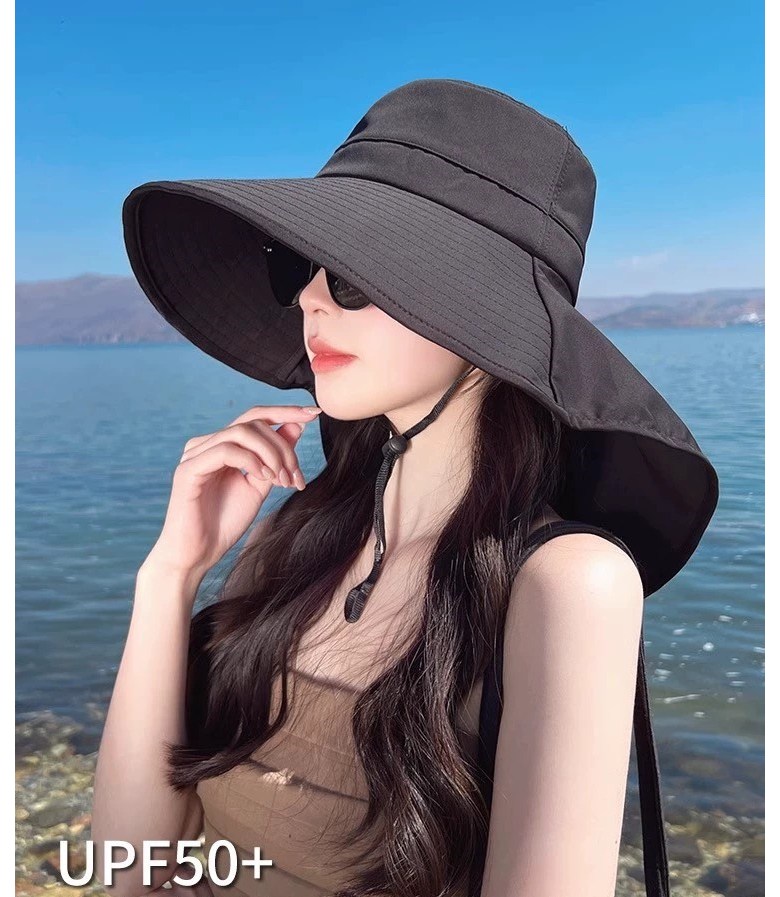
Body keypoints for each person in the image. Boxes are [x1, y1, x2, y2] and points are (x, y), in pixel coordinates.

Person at [92, 79, 719, 897]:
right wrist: (170, 574)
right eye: (303, 266)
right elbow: (134, 870)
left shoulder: (570, 583)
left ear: (481, 309)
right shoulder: (295, 539)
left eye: (354, 274)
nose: (311, 297)